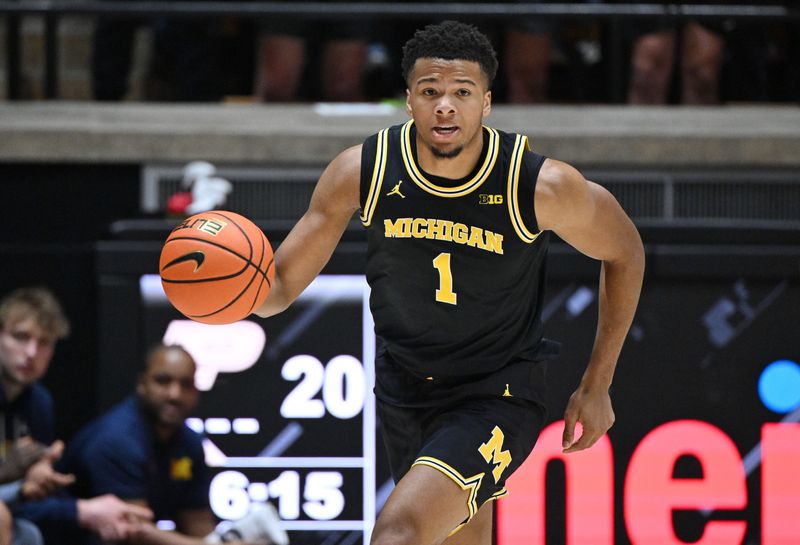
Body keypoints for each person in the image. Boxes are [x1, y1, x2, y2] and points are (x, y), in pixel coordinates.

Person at [254, 19, 644, 545]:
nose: (445, 106)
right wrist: (228, 294)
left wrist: (598, 384)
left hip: (496, 392)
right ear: (408, 100)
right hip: (404, 387)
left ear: (486, 103)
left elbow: (625, 252)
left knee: (397, 532)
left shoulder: (538, 184)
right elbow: (276, 290)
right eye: (429, 91)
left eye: (462, 92)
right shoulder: (363, 170)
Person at [54, 343, 288, 545]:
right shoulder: (116, 441)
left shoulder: (190, 443)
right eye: (163, 381)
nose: (175, 394)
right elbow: (134, 534)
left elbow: (196, 525)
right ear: (142, 383)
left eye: (186, 384)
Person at [0, 287, 154, 542]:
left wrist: (38, 481)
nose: (31, 353)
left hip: (13, 502)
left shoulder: (39, 402)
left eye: (44, 343)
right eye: (20, 337)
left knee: (33, 533)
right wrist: (7, 469)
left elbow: (24, 492)